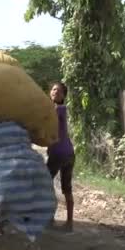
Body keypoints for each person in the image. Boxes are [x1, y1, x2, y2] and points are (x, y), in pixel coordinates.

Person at [47, 82, 75, 232]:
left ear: (63, 96)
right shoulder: (57, 109)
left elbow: (47, 116)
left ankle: (49, 217)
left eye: (59, 91)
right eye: (53, 89)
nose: (55, 92)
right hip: (68, 153)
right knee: (66, 189)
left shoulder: (59, 109)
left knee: (44, 183)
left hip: (59, 154)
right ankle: (69, 224)